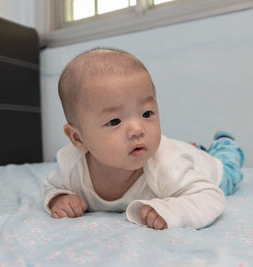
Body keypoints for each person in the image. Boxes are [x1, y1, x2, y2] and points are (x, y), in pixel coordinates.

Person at [44, 48, 245, 230]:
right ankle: (194, 149)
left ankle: (225, 143)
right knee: (185, 152)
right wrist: (59, 198)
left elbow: (210, 197)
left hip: (208, 170)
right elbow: (53, 186)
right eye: (114, 121)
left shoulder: (165, 165)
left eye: (147, 114)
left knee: (228, 170)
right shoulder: (70, 165)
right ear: (78, 138)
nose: (138, 130)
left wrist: (171, 210)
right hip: (181, 156)